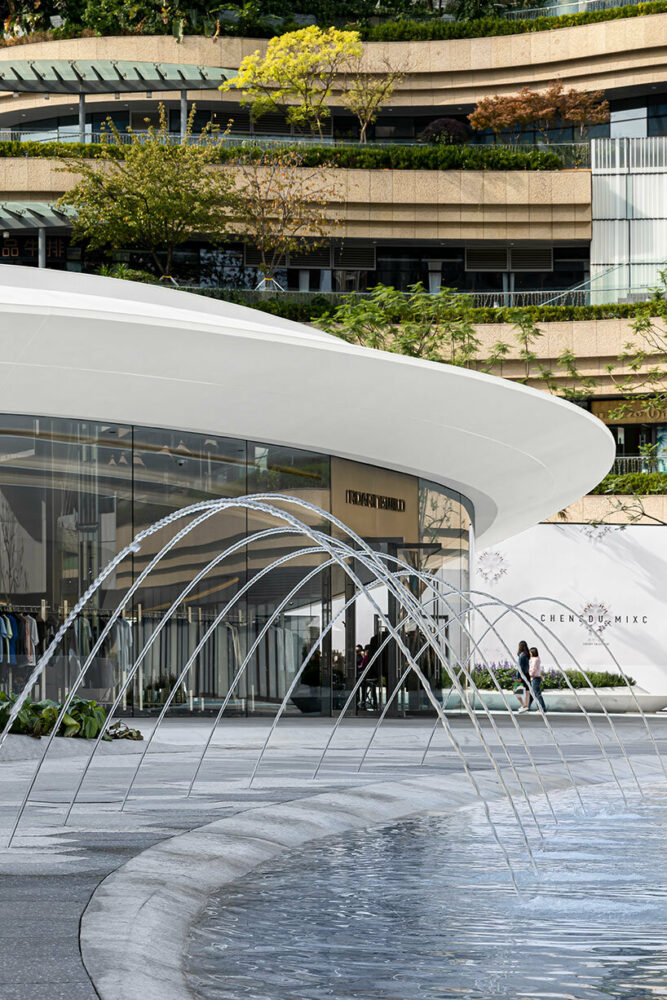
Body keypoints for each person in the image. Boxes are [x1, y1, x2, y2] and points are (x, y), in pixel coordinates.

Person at [528, 646, 547, 713]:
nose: (529, 653)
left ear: (532, 653)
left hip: (535, 678)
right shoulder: (536, 659)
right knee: (531, 694)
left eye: (530, 652)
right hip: (535, 678)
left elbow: (533, 669)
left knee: (537, 694)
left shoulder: (534, 660)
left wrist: (529, 674)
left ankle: (542, 709)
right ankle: (527, 707)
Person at [516, 639, 532, 714]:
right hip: (528, 675)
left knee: (516, 691)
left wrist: (518, 677)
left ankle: (523, 705)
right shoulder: (528, 655)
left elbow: (520, 667)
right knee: (527, 692)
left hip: (522, 676)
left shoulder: (522, 655)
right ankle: (525, 706)